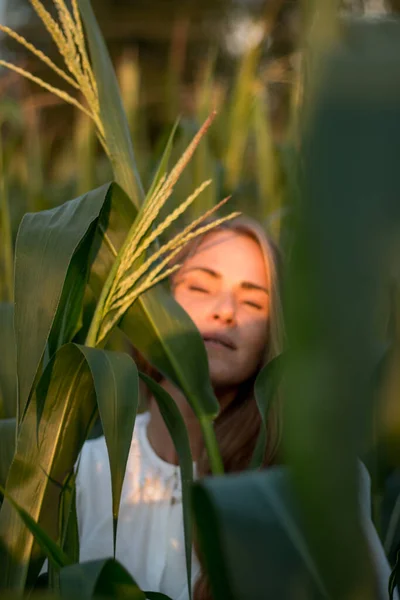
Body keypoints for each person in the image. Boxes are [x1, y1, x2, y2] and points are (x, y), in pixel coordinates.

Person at [75, 216, 284, 600]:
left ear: (273, 334)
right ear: (155, 308)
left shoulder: (293, 487)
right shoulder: (84, 474)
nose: (225, 311)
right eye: (201, 286)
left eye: (253, 301)